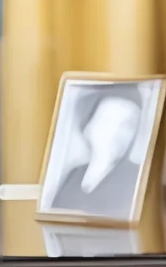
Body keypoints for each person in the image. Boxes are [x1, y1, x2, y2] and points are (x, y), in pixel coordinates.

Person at [50, 87, 146, 219]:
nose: (116, 133)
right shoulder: (75, 174)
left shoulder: (137, 178)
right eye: (108, 121)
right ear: (88, 127)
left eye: (127, 125)